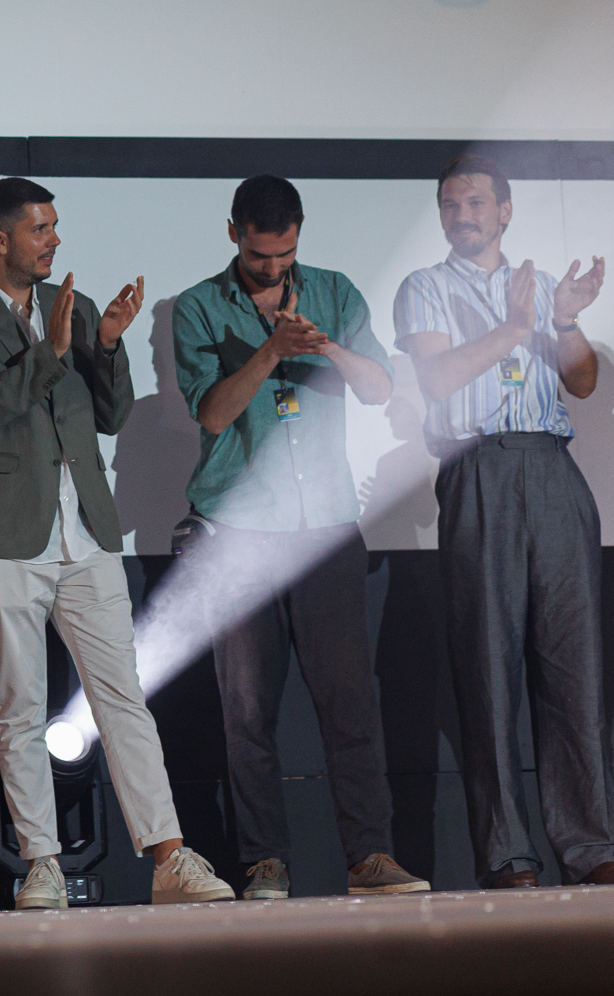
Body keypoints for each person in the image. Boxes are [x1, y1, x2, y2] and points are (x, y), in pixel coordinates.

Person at [0, 177, 233, 909]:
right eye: (40, 228)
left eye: (54, 226)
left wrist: (108, 344)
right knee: (20, 704)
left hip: (87, 527)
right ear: (0, 238)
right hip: (4, 533)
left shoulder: (78, 304)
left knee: (123, 694)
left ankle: (169, 855)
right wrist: (52, 352)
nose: (54, 240)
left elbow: (110, 414)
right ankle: (42, 862)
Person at [171, 176, 427, 900]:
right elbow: (212, 415)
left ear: (299, 233)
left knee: (349, 704)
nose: (273, 268)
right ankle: (265, 861)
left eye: (284, 254)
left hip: (324, 528)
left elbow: (379, 389)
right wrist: (269, 353)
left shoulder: (334, 291)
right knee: (247, 712)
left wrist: (326, 348)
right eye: (259, 256)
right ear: (234, 234)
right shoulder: (198, 305)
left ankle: (370, 856)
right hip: (239, 533)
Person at [392, 154, 614, 888]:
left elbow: (581, 380)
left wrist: (564, 320)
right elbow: (438, 378)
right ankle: (508, 855)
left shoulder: (543, 286)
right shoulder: (424, 287)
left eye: (476, 204)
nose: (463, 216)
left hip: (550, 466)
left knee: (574, 667)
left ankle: (590, 845)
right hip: (478, 467)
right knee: (487, 670)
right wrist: (517, 328)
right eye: (451, 205)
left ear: (505, 211)